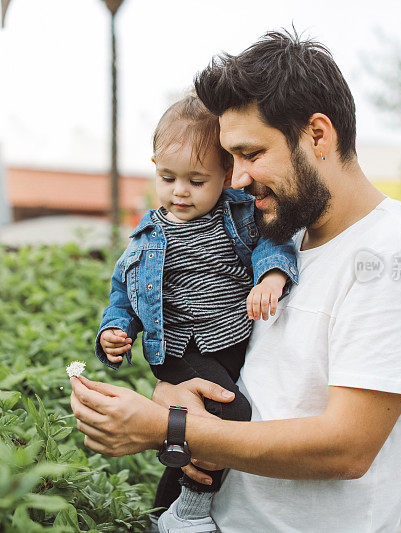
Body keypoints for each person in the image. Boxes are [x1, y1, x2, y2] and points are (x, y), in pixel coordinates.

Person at [72, 30, 401, 533]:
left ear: (318, 135)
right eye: (230, 159)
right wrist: (174, 393)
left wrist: (169, 429)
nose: (235, 179)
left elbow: (346, 448)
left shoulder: (394, 255)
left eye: (251, 154)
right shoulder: (279, 238)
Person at [94, 94, 298, 532]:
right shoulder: (148, 237)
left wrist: (272, 278)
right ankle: (191, 510)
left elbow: (272, 244)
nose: (180, 191)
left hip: (229, 341)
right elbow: (124, 296)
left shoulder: (240, 215)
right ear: (154, 166)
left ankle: (161, 515)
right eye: (168, 177)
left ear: (226, 176)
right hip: (180, 351)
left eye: (196, 181)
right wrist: (114, 330)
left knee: (198, 429)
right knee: (231, 416)